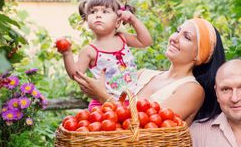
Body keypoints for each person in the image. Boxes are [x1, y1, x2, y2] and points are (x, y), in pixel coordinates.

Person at [74, 17, 225, 124]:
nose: (174, 38)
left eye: (186, 37)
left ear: (199, 55)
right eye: (177, 31)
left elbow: (148, 128)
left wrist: (102, 96)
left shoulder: (192, 89)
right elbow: (111, 93)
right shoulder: (142, 74)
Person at [58, 0, 153, 109]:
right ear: (87, 22)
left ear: (117, 22)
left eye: (104, 11)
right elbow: (76, 75)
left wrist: (133, 21)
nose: (98, 15)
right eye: (93, 12)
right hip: (103, 104)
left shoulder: (122, 38)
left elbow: (146, 41)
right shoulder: (89, 50)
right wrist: (67, 53)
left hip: (131, 101)